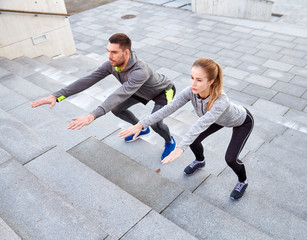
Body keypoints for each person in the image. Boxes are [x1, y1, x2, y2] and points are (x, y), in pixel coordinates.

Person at [119, 58, 254, 200]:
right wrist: (141, 124)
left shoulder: (221, 101)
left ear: (211, 81)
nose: (193, 83)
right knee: (194, 141)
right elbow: (169, 108)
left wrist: (180, 147)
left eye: (199, 80)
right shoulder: (191, 92)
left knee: (231, 159)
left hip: (241, 122)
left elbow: (201, 124)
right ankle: (200, 161)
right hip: (216, 119)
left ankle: (243, 181)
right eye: (192, 78)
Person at [31, 33, 177, 160]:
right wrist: (57, 96)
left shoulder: (140, 70)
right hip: (139, 91)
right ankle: (141, 129)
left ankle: (170, 141)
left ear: (126, 53)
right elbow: (88, 80)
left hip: (163, 91)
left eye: (114, 52)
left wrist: (92, 116)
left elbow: (119, 94)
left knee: (155, 122)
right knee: (117, 109)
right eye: (108, 51)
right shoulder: (111, 65)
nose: (109, 56)